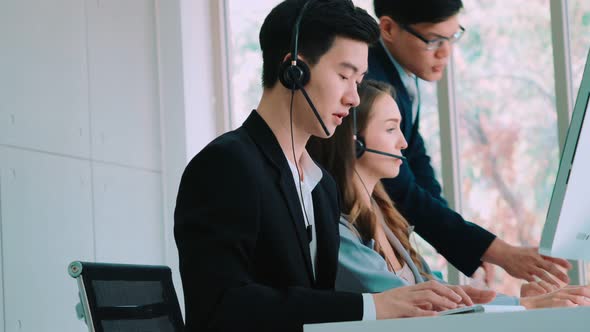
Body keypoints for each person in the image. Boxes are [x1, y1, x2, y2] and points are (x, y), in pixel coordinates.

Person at [174, 1, 472, 331]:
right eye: (344, 76)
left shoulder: (321, 186)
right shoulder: (227, 165)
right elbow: (222, 306)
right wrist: (371, 306)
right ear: (294, 71)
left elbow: (315, 304)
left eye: (358, 81)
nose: (354, 98)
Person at [307, 79, 590, 309]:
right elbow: (424, 307)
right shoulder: (339, 233)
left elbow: (444, 293)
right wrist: (523, 307)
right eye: (391, 129)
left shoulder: (386, 219)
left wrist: (521, 304)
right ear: (354, 143)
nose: (403, 142)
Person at [366, 0, 571, 285]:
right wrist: (496, 250)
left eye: (452, 37)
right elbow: (403, 188)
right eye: (434, 40)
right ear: (388, 28)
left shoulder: (399, 73)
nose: (446, 53)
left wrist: (469, 246)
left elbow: (418, 163)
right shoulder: (369, 85)